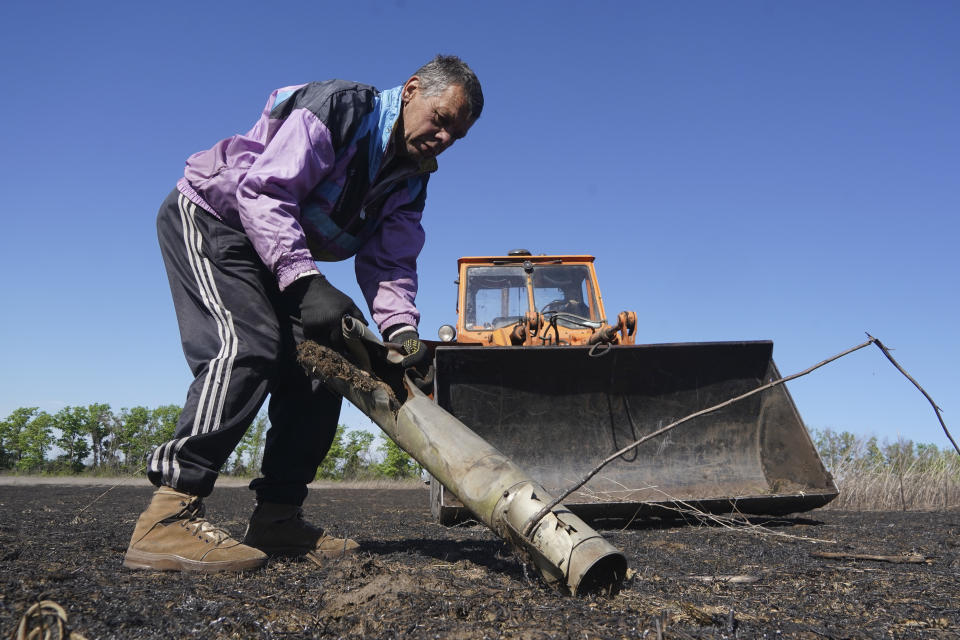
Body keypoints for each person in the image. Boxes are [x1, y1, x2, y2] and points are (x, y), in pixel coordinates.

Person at [123, 55, 483, 572]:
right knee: (249, 345)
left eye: (457, 135)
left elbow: (391, 261)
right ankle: (168, 515)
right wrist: (306, 281)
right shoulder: (342, 109)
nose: (444, 138)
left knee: (324, 368)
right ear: (410, 91)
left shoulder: (412, 178)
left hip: (276, 250)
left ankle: (277, 517)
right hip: (216, 220)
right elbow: (265, 192)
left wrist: (402, 332)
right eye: (441, 119)